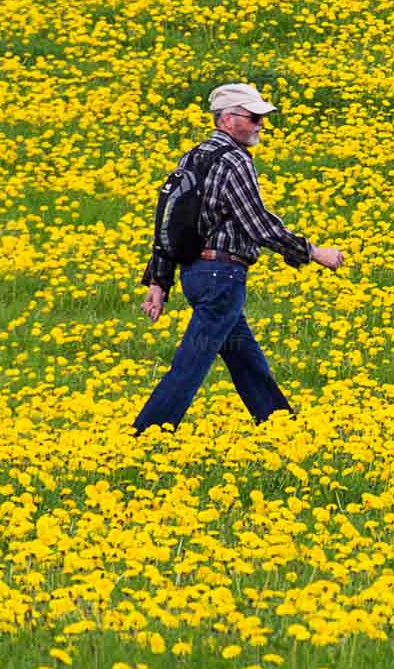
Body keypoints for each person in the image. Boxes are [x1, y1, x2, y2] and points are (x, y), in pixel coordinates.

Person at [134, 83, 345, 431]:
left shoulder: (191, 158)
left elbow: (169, 223)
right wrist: (313, 252)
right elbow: (260, 224)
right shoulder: (235, 161)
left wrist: (160, 280)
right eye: (254, 117)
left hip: (196, 275)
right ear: (229, 120)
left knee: (245, 358)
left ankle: (280, 425)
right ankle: (146, 433)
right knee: (191, 364)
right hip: (222, 276)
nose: (261, 124)